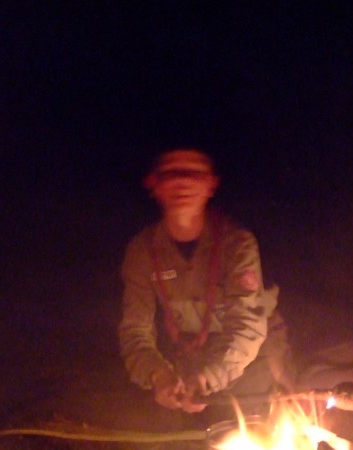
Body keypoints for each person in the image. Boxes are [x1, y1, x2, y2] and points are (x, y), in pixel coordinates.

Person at [118, 147, 294, 423]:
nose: (183, 182)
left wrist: (209, 378)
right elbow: (135, 330)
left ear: (212, 184)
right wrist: (158, 375)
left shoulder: (236, 243)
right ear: (153, 183)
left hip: (251, 353)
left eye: (194, 173)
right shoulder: (142, 251)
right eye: (172, 173)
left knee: (251, 426)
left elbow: (248, 326)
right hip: (189, 351)